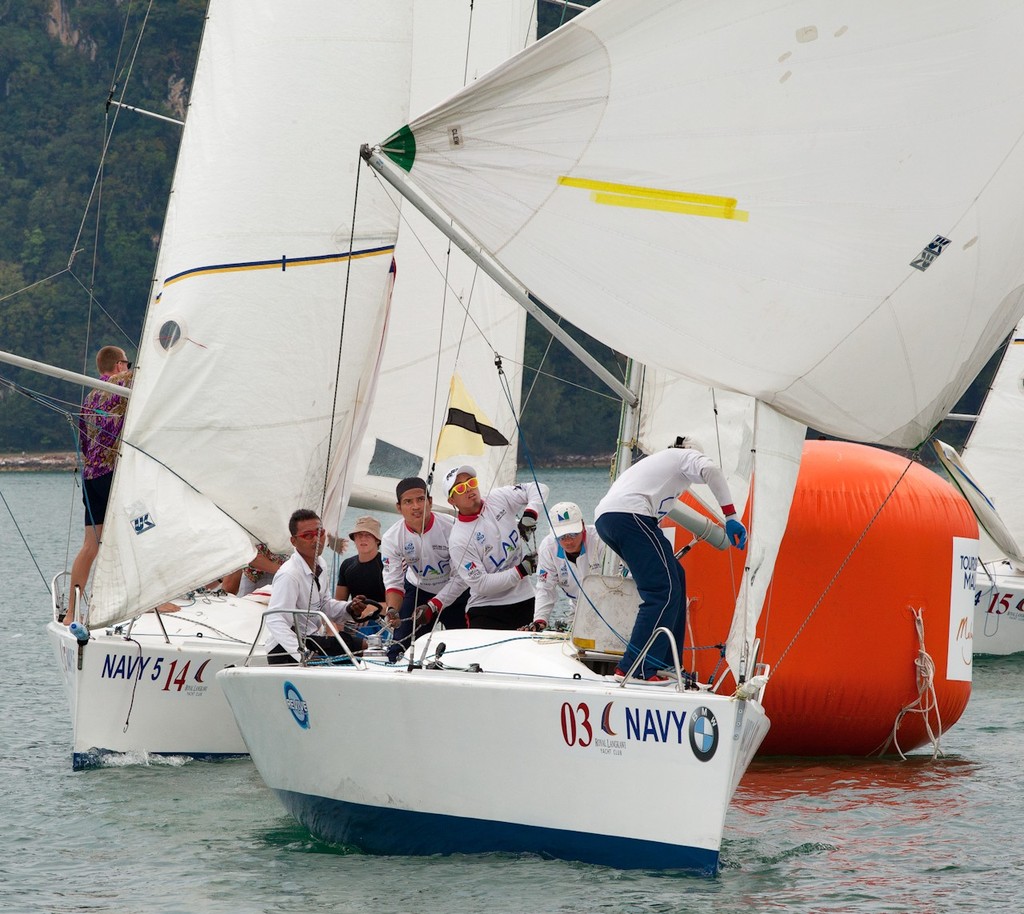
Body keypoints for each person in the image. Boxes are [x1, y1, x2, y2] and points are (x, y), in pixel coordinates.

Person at [594, 438, 747, 682]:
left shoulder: (656, 470)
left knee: (676, 576)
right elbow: (711, 471)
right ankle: (637, 668)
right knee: (661, 592)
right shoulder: (683, 457)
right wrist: (731, 516)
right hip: (630, 516)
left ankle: (664, 662)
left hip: (609, 520)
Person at [66, 345, 132, 624]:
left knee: (89, 546)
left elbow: (83, 442)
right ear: (119, 365)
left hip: (91, 476)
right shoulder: (120, 385)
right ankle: (158, 603)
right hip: (110, 474)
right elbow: (152, 372)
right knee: (137, 535)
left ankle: (71, 613)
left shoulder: (89, 397)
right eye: (126, 364)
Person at [445, 465, 548, 630]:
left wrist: (530, 513)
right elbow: (481, 584)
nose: (469, 489)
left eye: (471, 482)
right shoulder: (458, 539)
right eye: (460, 488)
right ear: (452, 501)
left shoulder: (498, 497)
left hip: (525, 599)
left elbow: (539, 488)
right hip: (486, 608)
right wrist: (521, 570)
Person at [266, 509, 374, 664]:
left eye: (320, 533)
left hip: (312, 640)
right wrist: (303, 655)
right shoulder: (289, 574)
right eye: (308, 535)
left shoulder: (321, 563)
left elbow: (324, 605)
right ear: (293, 541)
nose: (316, 539)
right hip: (286, 650)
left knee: (364, 645)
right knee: (359, 647)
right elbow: (275, 619)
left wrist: (349, 609)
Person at [381, 476, 469, 663]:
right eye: (408, 502)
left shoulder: (452, 527)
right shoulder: (392, 538)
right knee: (398, 650)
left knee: (466, 648)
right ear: (399, 507)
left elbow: (460, 577)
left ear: (430, 502)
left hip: (456, 592)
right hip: (418, 591)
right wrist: (392, 610)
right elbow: (394, 581)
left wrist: (433, 606)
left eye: (421, 499)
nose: (416, 506)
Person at [523, 501, 606, 632]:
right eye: (561, 536)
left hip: (610, 602)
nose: (568, 541)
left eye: (573, 534)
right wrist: (540, 621)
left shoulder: (601, 539)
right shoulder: (548, 547)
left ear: (583, 526)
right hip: (578, 606)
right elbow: (545, 588)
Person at [335, 515, 385, 604]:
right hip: (354, 616)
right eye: (359, 535)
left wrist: (370, 607)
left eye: (368, 535)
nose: (363, 539)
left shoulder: (386, 565)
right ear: (354, 539)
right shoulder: (347, 565)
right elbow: (338, 604)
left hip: (383, 617)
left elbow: (395, 607)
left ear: (377, 540)